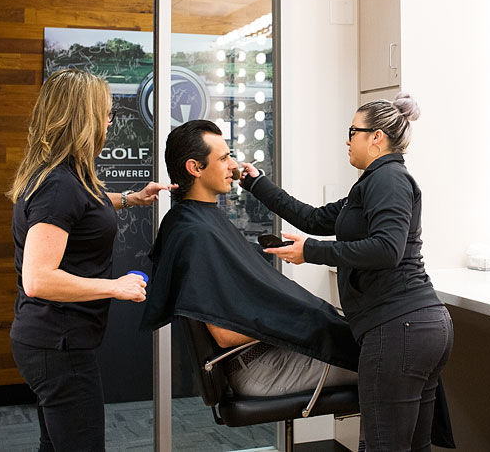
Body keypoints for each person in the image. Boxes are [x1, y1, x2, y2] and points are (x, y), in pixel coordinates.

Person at [240, 93, 453, 452]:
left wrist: (311, 251)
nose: (347, 139)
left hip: (400, 328)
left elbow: (387, 249)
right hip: (413, 328)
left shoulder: (389, 180)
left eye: (353, 131)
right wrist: (256, 183)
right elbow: (312, 218)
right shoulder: (370, 184)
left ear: (377, 137)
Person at [7, 68, 173, 452]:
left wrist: (130, 198)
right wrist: (114, 287)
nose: (110, 122)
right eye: (106, 113)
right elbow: (39, 278)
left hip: (50, 341)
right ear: (83, 119)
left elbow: (83, 208)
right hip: (57, 345)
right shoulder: (58, 187)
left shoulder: (63, 177)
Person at [140, 119, 360, 397]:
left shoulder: (196, 220)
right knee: (388, 366)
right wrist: (299, 317)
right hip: (260, 366)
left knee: (382, 357)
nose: (233, 165)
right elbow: (224, 333)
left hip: (268, 354)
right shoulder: (195, 233)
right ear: (195, 168)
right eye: (223, 158)